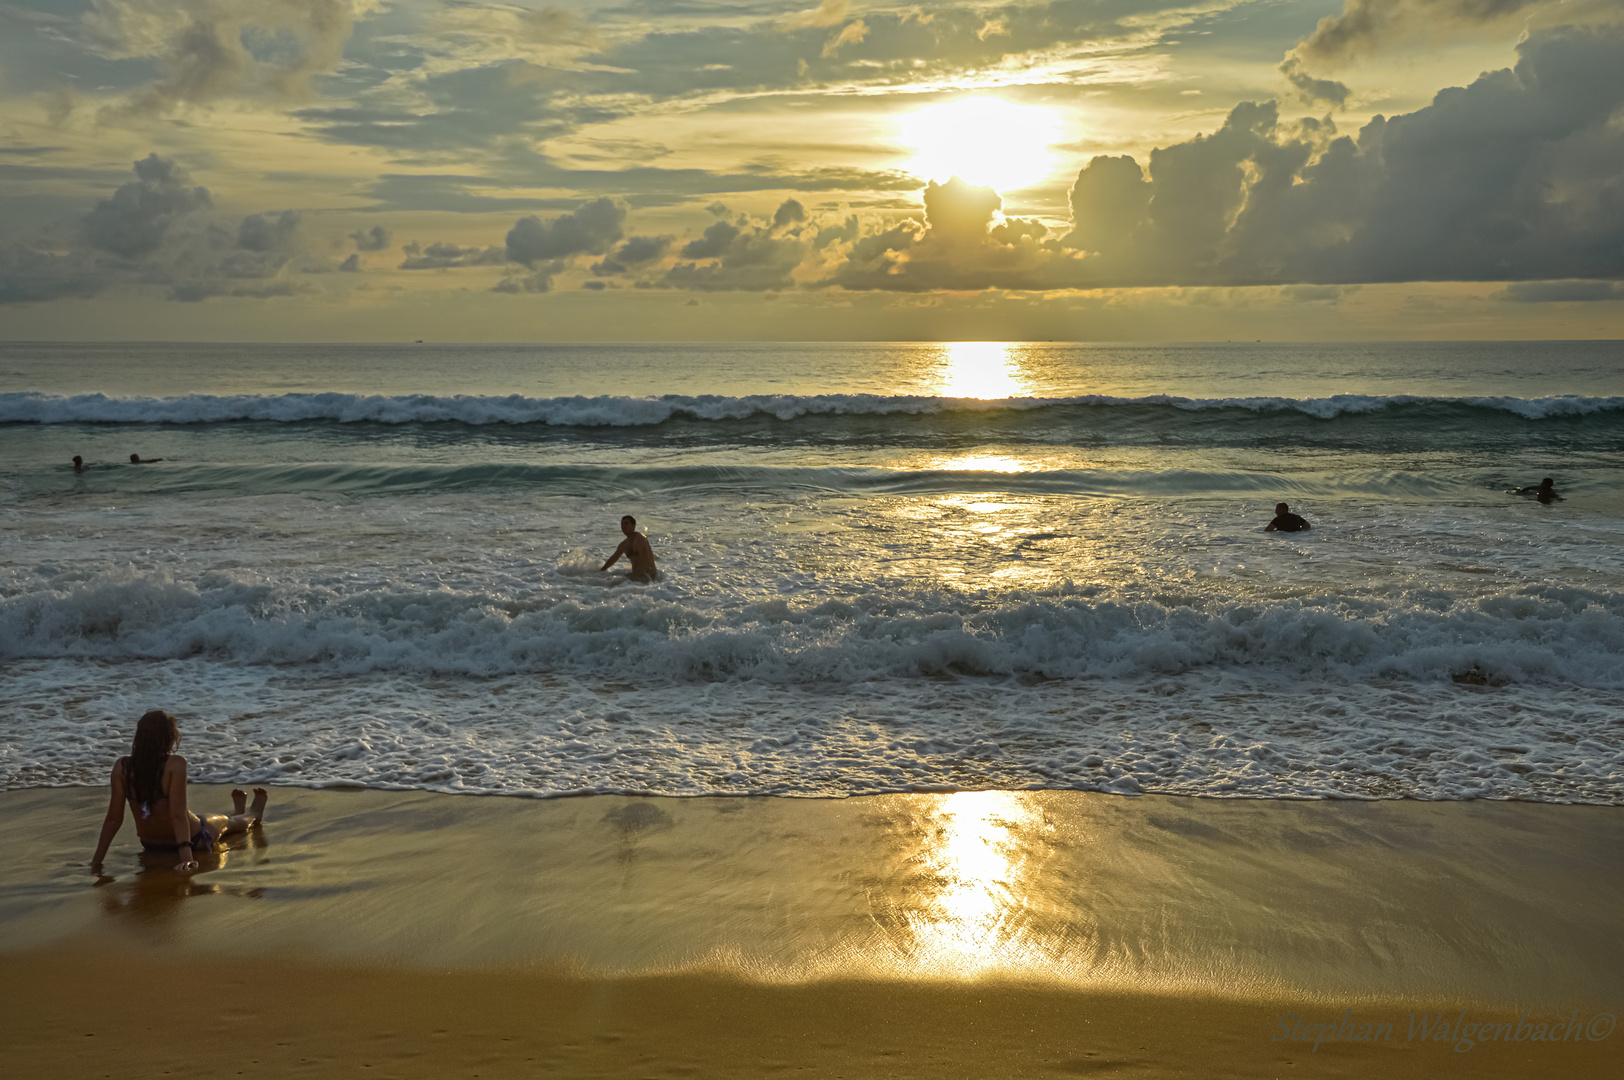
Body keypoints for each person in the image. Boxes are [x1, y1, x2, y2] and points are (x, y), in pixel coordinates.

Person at [90, 710, 266, 873]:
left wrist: (96, 861)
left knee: (220, 819)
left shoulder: (121, 767)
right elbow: (177, 815)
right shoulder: (175, 764)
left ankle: (240, 812)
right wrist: (187, 859)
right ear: (169, 737)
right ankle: (253, 814)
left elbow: (113, 819)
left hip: (151, 844)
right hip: (195, 838)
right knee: (227, 822)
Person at [600, 514, 659, 582]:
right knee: (606, 582)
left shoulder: (640, 539)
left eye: (626, 523)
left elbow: (644, 560)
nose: (623, 526)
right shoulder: (623, 545)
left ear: (633, 525)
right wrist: (601, 572)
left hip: (649, 579)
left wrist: (633, 576)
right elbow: (612, 560)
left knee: (615, 584)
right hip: (636, 578)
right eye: (622, 524)